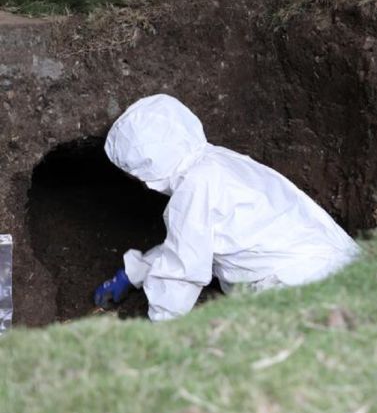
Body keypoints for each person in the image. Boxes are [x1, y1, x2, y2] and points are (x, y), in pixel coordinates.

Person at [92, 94, 360, 322]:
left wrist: (160, 333)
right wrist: (135, 272)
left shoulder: (195, 188)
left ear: (146, 168)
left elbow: (182, 272)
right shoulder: (219, 163)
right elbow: (197, 244)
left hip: (297, 287)